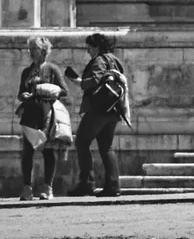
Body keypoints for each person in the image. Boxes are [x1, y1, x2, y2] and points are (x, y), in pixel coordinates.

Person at [66, 33, 127, 198]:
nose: (88, 51)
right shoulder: (115, 60)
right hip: (114, 110)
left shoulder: (100, 60)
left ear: (97, 47)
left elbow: (95, 79)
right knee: (106, 147)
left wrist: (79, 82)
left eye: (90, 47)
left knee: (81, 142)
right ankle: (113, 186)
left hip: (98, 109)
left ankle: (86, 184)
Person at [16, 36, 70, 201]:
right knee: (27, 152)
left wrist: (47, 90)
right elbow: (20, 93)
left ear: (44, 51)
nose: (31, 52)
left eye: (35, 48)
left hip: (47, 114)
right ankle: (27, 187)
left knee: (48, 150)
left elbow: (64, 90)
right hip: (30, 113)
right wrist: (24, 95)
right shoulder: (27, 71)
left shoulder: (52, 69)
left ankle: (48, 187)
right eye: (30, 49)